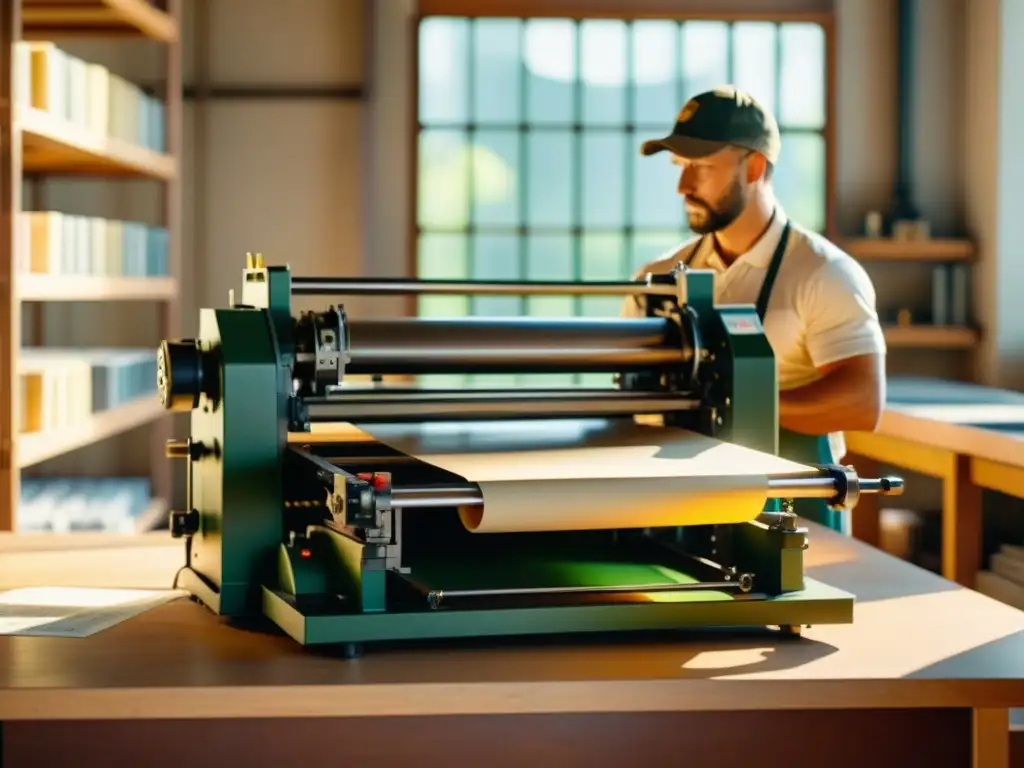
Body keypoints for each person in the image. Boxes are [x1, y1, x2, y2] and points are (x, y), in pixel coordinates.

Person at [622, 85, 886, 532]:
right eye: (680, 166)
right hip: (679, 509)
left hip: (798, 518)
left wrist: (734, 404)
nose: (683, 186)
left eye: (701, 167)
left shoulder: (823, 274)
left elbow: (862, 401)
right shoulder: (659, 278)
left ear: (755, 166)